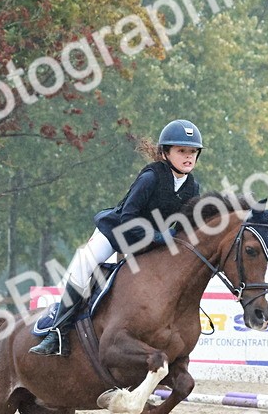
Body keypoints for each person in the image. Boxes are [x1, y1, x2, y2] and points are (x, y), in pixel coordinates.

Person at [30, 119, 204, 356]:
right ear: (165, 153)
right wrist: (160, 237)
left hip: (147, 245)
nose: (188, 156)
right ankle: (57, 333)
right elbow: (127, 218)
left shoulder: (192, 187)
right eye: (181, 151)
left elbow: (186, 228)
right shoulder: (151, 177)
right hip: (115, 233)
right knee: (83, 266)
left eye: (192, 152)